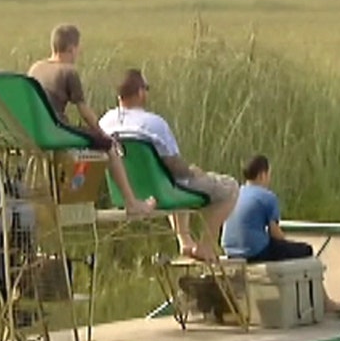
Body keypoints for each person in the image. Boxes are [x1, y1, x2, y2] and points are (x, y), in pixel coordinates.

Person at [98, 68, 238, 262]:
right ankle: (205, 247)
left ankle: (185, 241)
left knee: (172, 180)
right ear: (140, 92)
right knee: (229, 188)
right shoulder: (153, 124)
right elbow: (174, 165)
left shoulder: (105, 122)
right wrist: (193, 172)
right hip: (162, 191)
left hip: (124, 193)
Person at [27, 24, 156, 216]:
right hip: (57, 131)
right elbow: (85, 112)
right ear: (71, 48)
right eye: (78, 49)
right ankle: (131, 202)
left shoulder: (35, 68)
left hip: (34, 132)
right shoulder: (68, 72)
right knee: (109, 147)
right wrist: (103, 135)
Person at [221, 154, 314, 263]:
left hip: (229, 250)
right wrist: (287, 244)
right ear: (262, 175)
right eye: (269, 174)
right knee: (306, 249)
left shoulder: (234, 193)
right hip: (255, 252)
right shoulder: (267, 197)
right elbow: (275, 233)